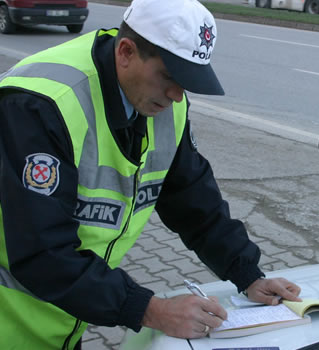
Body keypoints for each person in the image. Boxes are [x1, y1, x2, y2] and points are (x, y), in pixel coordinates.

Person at [0, 0, 301, 348]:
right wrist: (150, 310)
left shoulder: (161, 105)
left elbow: (193, 200)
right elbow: (42, 251)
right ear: (126, 52)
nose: (176, 95)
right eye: (170, 77)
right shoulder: (40, 105)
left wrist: (247, 274)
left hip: (64, 316)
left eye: (187, 81)